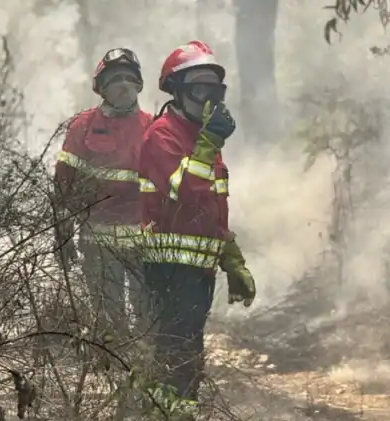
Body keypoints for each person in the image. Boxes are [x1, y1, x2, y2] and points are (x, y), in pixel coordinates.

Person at [138, 40, 257, 398]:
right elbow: (188, 189)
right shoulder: (163, 135)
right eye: (198, 88)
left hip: (197, 271)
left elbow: (209, 208)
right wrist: (209, 142)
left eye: (214, 90)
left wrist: (231, 259)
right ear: (175, 91)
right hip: (170, 271)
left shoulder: (202, 139)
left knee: (189, 360)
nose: (208, 99)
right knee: (176, 360)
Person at [53, 47, 153, 335]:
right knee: (108, 317)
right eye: (114, 78)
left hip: (143, 243)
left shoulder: (153, 126)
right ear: (101, 87)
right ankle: (114, 370)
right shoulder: (83, 126)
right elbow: (64, 184)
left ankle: (147, 370)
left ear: (138, 84)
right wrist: (62, 235)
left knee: (146, 311)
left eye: (128, 77)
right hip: (97, 241)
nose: (122, 84)